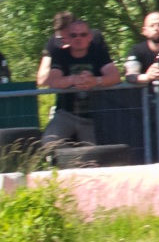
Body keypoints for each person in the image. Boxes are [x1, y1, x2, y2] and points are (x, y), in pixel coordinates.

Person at [37, 12, 121, 144]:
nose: (78, 38)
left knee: (94, 151)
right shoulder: (58, 52)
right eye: (73, 35)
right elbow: (49, 80)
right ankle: (67, 157)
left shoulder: (97, 50)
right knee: (49, 143)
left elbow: (115, 76)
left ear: (90, 36)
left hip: (94, 115)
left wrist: (95, 81)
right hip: (66, 113)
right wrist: (73, 79)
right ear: (66, 37)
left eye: (83, 35)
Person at [127, 10, 159, 84]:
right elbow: (130, 76)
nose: (156, 29)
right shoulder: (136, 50)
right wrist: (148, 76)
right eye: (152, 26)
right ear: (144, 31)